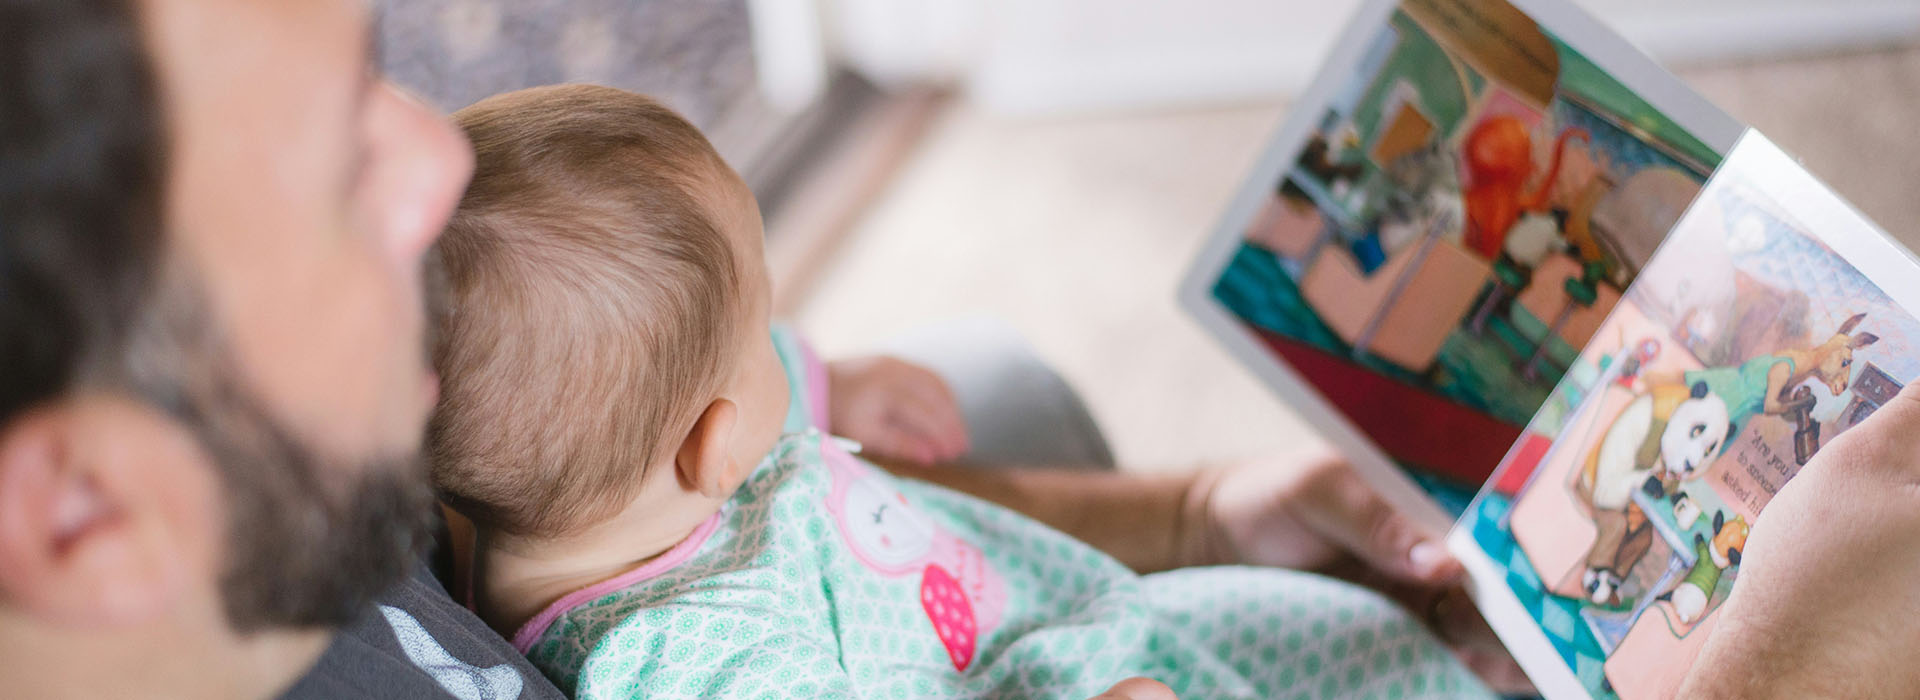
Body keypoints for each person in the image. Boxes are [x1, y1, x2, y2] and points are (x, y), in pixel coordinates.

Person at [0, 1, 1907, 698]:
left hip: (1050, 610)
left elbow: (761, 499)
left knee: (977, 368)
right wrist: (1781, 673)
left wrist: (1179, 504)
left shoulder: (379, 480)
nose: (430, 148)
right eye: (332, 170)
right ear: (84, 512)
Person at [427, 83, 1495, 699]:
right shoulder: (694, 664)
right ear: (710, 445)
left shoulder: (610, 484)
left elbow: (713, 395)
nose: (785, 350)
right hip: (1062, 676)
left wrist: (825, 382)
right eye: (764, 335)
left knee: (1363, 631)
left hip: (1087, 622)